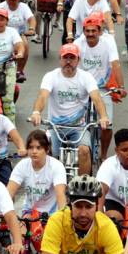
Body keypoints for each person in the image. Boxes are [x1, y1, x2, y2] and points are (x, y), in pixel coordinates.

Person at [29, 44, 110, 176]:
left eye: (72, 58)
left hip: (79, 128)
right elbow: (42, 96)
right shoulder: (51, 76)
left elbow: (97, 99)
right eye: (65, 58)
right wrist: (36, 112)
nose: (68, 61)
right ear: (60, 59)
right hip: (55, 127)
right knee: (49, 156)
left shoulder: (86, 77)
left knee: (84, 151)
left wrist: (104, 116)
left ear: (78, 60)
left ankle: (82, 187)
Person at [77, 12, 124, 155]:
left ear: (99, 31)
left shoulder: (108, 42)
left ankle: (103, 155)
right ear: (83, 31)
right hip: (83, 89)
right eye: (87, 31)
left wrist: (120, 87)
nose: (90, 34)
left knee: (107, 126)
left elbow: (115, 64)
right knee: (74, 123)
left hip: (102, 88)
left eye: (93, 31)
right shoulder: (78, 43)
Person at [8, 130, 68, 215]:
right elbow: (9, 192)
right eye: (31, 147)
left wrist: (62, 218)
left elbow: (60, 195)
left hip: (51, 213)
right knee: (23, 226)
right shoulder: (22, 165)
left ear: (47, 150)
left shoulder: (57, 166)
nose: (34, 151)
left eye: (38, 148)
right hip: (29, 211)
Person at [0, 0, 36, 81]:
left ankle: (19, 71)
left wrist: (31, 28)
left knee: (25, 46)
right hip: (3, 32)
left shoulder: (24, 7)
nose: (11, 1)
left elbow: (31, 19)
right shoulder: (1, 6)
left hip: (19, 35)